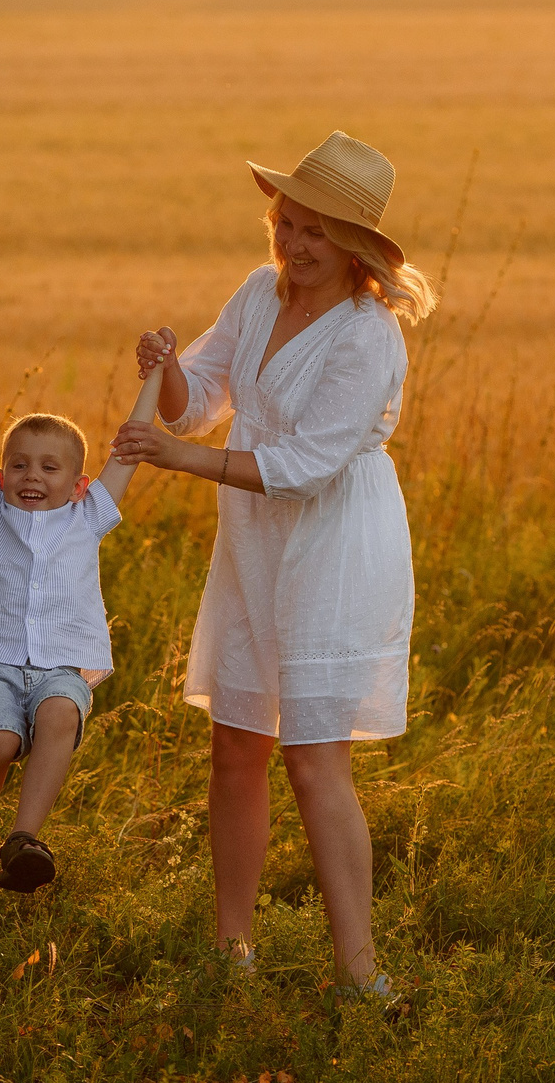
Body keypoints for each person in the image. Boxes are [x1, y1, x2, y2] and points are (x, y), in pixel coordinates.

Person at [109, 131, 437, 998]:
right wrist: (164, 370)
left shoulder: (368, 336)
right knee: (236, 742)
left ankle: (360, 972)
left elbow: (304, 466)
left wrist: (178, 461)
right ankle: (232, 952)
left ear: (356, 245)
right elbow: (198, 401)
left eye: (316, 230)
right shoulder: (259, 292)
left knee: (313, 757)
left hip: (335, 542)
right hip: (254, 542)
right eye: (287, 221)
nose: (294, 242)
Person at [0, 345, 164, 897]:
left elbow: (129, 447)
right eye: (19, 464)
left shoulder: (89, 516)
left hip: (63, 664)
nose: (31, 475)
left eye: (50, 468)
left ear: (79, 483)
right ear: (0, 474)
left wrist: (154, 374)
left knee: (60, 713)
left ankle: (23, 840)